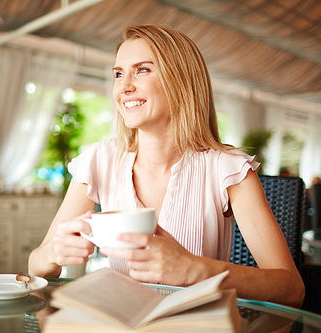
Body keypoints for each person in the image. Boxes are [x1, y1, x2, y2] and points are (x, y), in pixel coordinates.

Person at [28, 24, 305, 308]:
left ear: (181, 81)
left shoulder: (228, 169)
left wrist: (197, 269)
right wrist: (53, 252)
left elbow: (292, 288)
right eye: (118, 74)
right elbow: (36, 266)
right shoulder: (100, 160)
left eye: (143, 70)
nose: (123, 87)